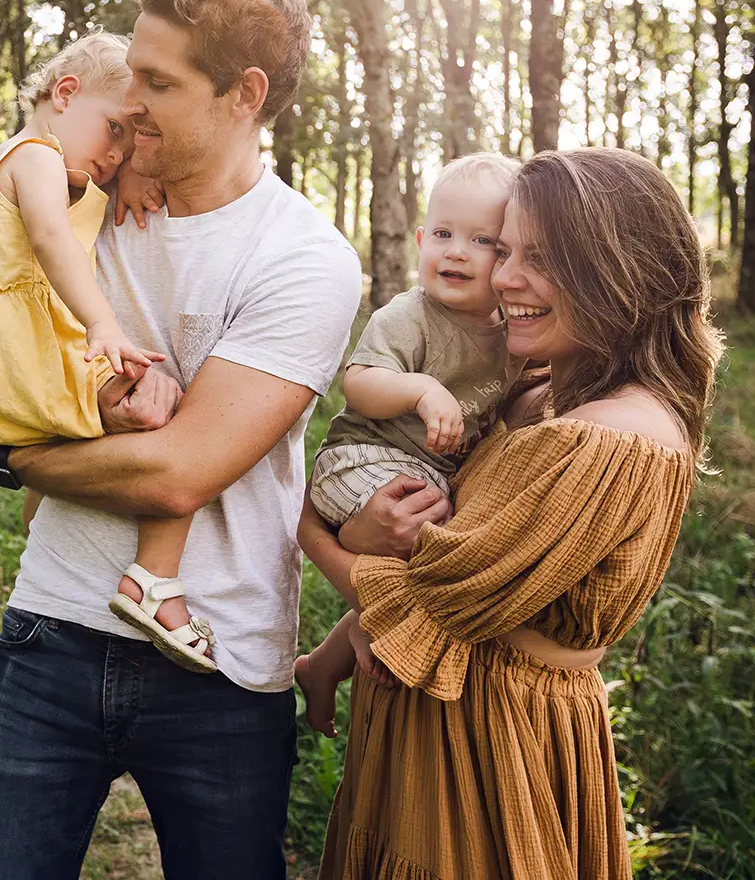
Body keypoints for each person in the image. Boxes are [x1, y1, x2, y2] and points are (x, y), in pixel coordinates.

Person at [0, 0, 362, 879]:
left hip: (220, 665)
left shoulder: (305, 260)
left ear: (244, 95)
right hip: (52, 624)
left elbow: (179, 470)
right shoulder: (85, 192)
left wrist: (10, 459)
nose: (128, 99)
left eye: (158, 83)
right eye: (129, 71)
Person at [303, 148, 722, 880]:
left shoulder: (613, 438)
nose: (502, 276)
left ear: (618, 269)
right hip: (434, 735)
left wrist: (311, 530)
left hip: (492, 760)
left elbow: (431, 605)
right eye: (507, 249)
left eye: (539, 257)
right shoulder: (539, 392)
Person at [0, 31, 218, 670]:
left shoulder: (65, 170)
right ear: (65, 94)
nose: (119, 153)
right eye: (115, 130)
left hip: (17, 346)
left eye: (131, 141)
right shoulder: (32, 155)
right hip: (22, 344)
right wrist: (103, 324)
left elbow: (79, 199)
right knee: (159, 403)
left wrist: (126, 184)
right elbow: (48, 238)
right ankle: (154, 577)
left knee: (80, 440)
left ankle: (43, 528)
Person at [294, 152, 524, 738]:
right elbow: (359, 385)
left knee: (450, 536)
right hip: (359, 459)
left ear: (507, 258)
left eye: (481, 240)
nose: (455, 251)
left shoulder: (509, 332)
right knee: (431, 538)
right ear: (421, 238)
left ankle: (322, 666)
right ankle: (379, 624)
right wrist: (419, 388)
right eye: (443, 234)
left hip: (427, 473)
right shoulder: (409, 315)